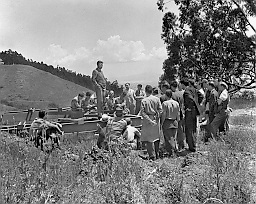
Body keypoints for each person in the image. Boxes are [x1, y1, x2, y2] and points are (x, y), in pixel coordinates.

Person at [180, 78, 204, 152]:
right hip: (194, 112)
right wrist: (197, 105)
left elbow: (190, 99)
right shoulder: (195, 90)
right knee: (193, 128)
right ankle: (193, 144)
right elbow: (201, 96)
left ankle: (192, 146)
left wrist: (189, 107)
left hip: (190, 111)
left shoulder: (187, 91)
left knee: (189, 129)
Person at [140, 85, 163, 160]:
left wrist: (149, 120)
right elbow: (160, 110)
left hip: (148, 120)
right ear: (152, 91)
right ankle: (157, 153)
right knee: (156, 137)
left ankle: (151, 155)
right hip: (155, 119)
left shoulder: (144, 100)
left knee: (148, 139)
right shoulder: (157, 99)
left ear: (145, 91)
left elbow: (142, 113)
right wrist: (157, 118)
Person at [161, 89, 180, 157]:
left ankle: (173, 152)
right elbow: (178, 114)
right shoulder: (176, 103)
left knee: (169, 138)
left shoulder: (165, 103)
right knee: (174, 138)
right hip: (174, 121)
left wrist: (162, 123)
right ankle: (173, 152)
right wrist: (178, 121)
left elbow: (164, 114)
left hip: (167, 121)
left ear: (166, 95)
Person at [170, 80, 185, 151]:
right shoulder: (182, 93)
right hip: (182, 113)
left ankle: (176, 147)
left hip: (175, 115)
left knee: (175, 131)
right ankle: (182, 144)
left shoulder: (173, 95)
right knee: (181, 129)